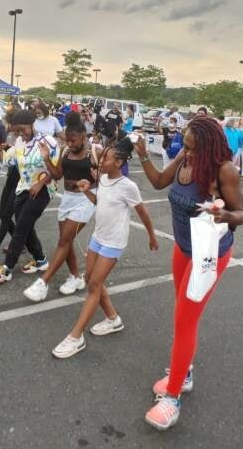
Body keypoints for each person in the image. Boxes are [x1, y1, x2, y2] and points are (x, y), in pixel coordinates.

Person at [135, 117, 243, 431]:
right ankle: (184, 373)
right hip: (183, 249)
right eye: (184, 145)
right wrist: (143, 153)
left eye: (192, 148)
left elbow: (241, 215)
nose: (186, 152)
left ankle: (172, 399)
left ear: (209, 147)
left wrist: (224, 214)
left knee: (185, 321)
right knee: (181, 315)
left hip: (209, 254)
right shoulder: (185, 157)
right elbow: (158, 182)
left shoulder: (224, 170)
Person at [51, 138, 159, 358]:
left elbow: (143, 213)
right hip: (98, 238)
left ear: (118, 162)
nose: (100, 161)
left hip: (114, 242)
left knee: (93, 285)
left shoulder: (128, 186)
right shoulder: (103, 179)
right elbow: (100, 203)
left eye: (106, 158)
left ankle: (75, 337)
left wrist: (152, 236)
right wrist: (86, 191)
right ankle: (113, 318)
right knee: (91, 278)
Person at [24, 112, 103, 301]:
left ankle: (43, 282)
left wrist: (99, 177)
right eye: (67, 140)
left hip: (86, 200)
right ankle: (75, 277)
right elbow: (58, 174)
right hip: (67, 199)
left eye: (74, 141)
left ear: (84, 137)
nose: (70, 144)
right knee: (65, 242)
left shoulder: (96, 151)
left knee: (64, 241)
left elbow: (109, 175)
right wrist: (46, 158)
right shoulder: (65, 150)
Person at [0, 109, 61, 283]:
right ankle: (41, 260)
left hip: (43, 189)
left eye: (23, 129)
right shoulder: (20, 142)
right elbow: (7, 160)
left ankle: (7, 267)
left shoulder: (48, 141)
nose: (20, 133)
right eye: (16, 131)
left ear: (31, 124)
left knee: (21, 227)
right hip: (23, 188)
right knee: (26, 226)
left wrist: (40, 183)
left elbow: (57, 169)